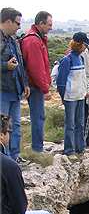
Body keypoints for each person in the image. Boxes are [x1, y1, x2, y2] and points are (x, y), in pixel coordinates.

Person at [0, 7, 30, 163]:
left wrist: (25, 83)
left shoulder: (13, 40)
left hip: (15, 90)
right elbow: (8, 64)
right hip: (2, 91)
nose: (19, 26)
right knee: (2, 128)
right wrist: (5, 66)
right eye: (17, 23)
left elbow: (21, 63)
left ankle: (14, 157)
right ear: (7, 21)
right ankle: (4, 160)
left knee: (16, 126)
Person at [20, 11, 53, 154]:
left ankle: (37, 146)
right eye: (49, 24)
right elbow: (36, 68)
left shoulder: (36, 38)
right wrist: (45, 88)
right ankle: (37, 149)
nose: (51, 28)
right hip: (35, 86)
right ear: (41, 24)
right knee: (38, 117)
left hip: (34, 85)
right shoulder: (33, 41)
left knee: (38, 116)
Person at [56, 32, 89, 156]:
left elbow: (82, 78)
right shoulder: (67, 60)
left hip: (80, 96)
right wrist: (63, 97)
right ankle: (69, 150)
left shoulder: (81, 58)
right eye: (85, 45)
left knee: (80, 123)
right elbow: (60, 82)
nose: (86, 47)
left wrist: (86, 91)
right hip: (70, 98)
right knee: (70, 125)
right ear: (79, 44)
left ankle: (80, 147)